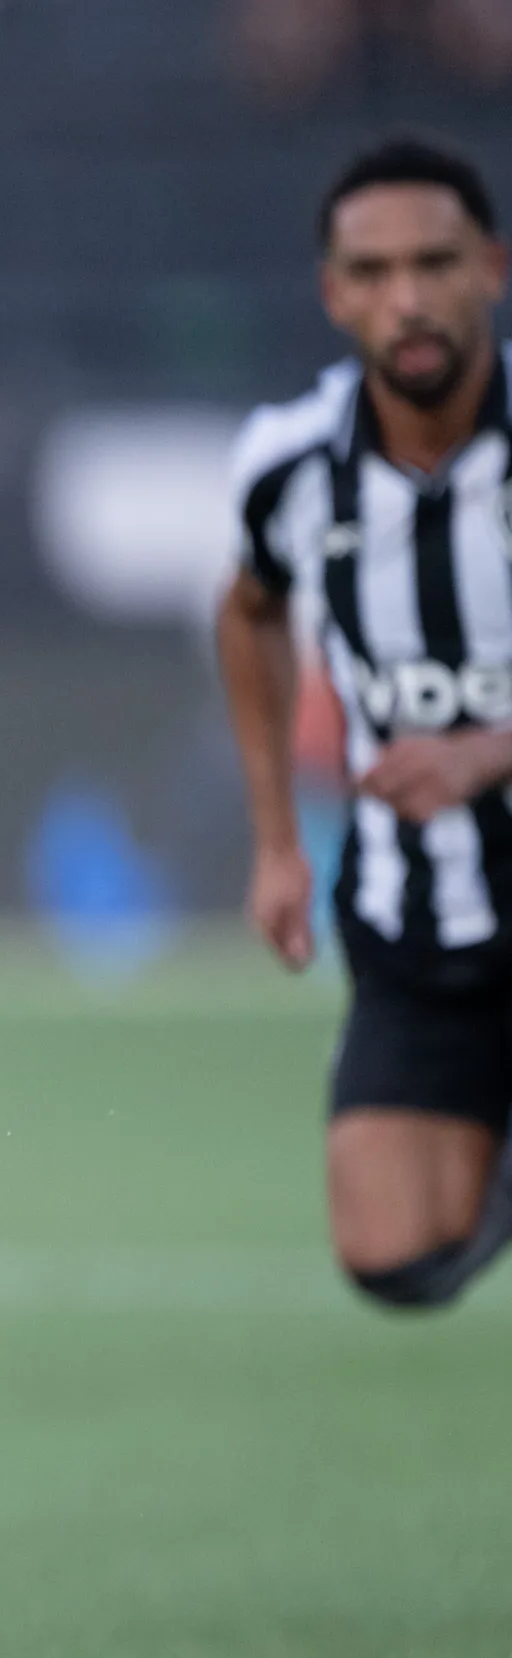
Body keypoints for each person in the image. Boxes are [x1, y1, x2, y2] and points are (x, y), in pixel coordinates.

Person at [220, 136, 512, 1308]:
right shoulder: (289, 465)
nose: (408, 297)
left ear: (491, 268)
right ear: (336, 293)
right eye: (374, 270)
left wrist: (493, 749)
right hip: (417, 918)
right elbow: (247, 614)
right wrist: (278, 840)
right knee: (394, 1259)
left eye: (435, 262)